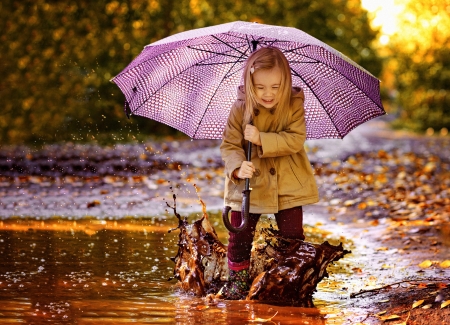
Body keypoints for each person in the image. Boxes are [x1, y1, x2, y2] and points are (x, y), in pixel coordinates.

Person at [219, 47, 319, 300]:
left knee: (292, 236)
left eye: (275, 87)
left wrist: (261, 138)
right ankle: (238, 281)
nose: (268, 94)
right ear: (250, 83)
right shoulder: (240, 108)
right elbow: (229, 145)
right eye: (260, 87)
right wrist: (237, 167)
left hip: (287, 180)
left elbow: (295, 140)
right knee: (239, 234)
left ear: (285, 83)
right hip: (249, 180)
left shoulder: (294, 104)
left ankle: (289, 280)